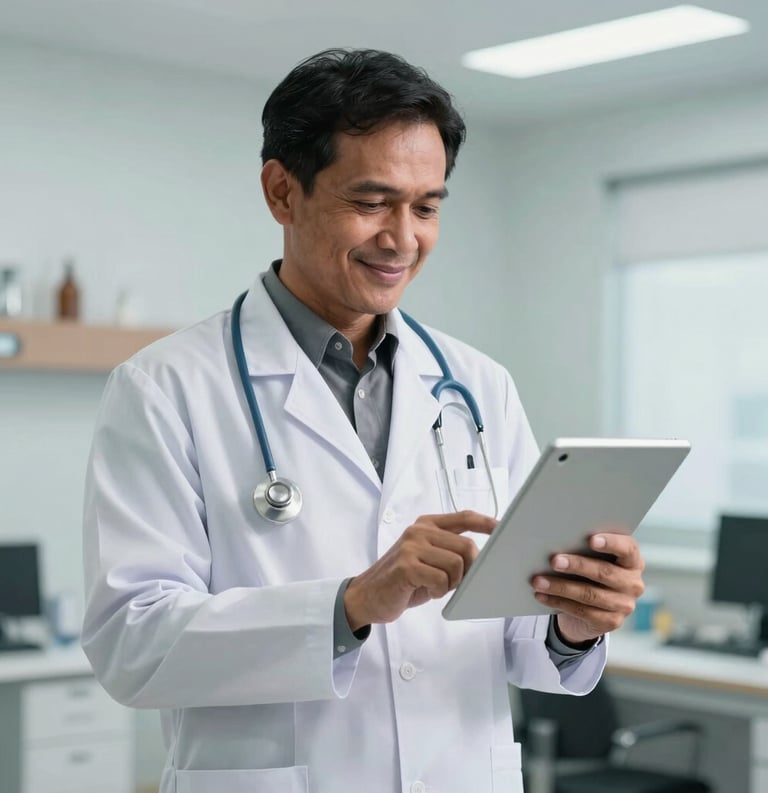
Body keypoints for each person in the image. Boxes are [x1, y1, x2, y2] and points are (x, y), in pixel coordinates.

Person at [82, 48, 645, 793]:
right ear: (282, 192)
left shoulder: (477, 386)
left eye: (428, 205)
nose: (403, 238)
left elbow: (518, 638)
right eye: (372, 201)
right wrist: (347, 606)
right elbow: (131, 642)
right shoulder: (165, 388)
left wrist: (576, 618)